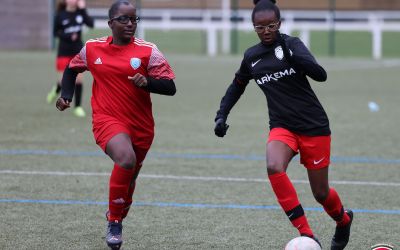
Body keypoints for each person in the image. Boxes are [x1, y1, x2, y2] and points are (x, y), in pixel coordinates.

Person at [214, 0, 353, 249]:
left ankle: (343, 221)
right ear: (253, 27)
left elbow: (320, 75)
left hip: (314, 126)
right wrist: (221, 115)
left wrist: (297, 58)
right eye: (260, 27)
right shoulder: (252, 56)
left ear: (279, 24)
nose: (266, 31)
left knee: (321, 193)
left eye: (271, 25)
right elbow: (237, 86)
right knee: (273, 166)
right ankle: (307, 234)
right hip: (282, 126)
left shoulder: (292, 44)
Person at [56, 1, 176, 249]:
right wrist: (66, 95)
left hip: (141, 126)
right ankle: (114, 222)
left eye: (134, 19)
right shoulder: (92, 48)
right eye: (124, 19)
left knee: (130, 178)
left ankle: (118, 210)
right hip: (107, 120)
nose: (130, 24)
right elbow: (71, 69)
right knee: (125, 159)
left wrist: (147, 83)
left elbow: (170, 87)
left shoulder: (148, 51)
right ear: (111, 23)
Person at [47, 0, 94, 117]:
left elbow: (91, 24)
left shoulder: (80, 13)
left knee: (78, 79)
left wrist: (83, 9)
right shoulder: (60, 15)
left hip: (77, 51)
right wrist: (68, 36)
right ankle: (56, 89)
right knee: (64, 80)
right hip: (63, 51)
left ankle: (77, 107)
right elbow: (55, 33)